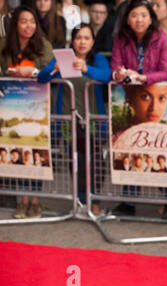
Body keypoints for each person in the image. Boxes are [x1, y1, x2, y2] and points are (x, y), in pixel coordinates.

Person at [38, 23, 111, 216]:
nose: (82, 42)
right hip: (69, 120)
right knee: (74, 161)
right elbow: (41, 78)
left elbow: (106, 76)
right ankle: (79, 200)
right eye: (78, 37)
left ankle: (95, 201)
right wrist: (53, 68)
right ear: (73, 40)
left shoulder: (98, 59)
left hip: (93, 120)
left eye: (87, 38)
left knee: (95, 161)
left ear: (92, 41)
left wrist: (86, 68)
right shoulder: (63, 58)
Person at [0, 5, 53, 219]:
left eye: (32, 21)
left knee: (36, 153)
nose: (28, 25)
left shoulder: (43, 44)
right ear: (15, 24)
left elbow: (51, 70)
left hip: (37, 107)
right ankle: (21, 201)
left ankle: (35, 202)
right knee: (16, 152)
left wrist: (33, 72)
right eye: (23, 21)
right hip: (10, 108)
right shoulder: (4, 45)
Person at [111, 0, 167, 86]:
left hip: (154, 88)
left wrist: (143, 77)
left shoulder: (162, 39)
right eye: (134, 15)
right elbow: (115, 68)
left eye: (144, 15)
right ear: (127, 20)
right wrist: (118, 74)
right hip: (128, 89)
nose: (139, 20)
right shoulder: (120, 38)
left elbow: (166, 72)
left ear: (150, 20)